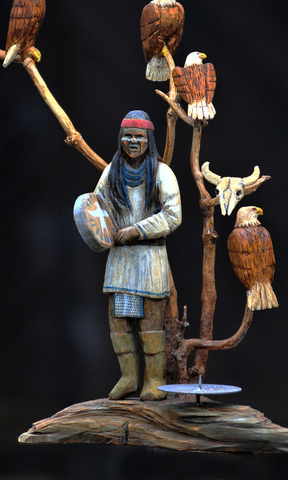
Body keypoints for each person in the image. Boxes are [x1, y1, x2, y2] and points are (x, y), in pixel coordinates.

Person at [94, 110, 181, 400]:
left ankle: (154, 380)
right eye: (128, 136)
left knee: (150, 323)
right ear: (121, 138)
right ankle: (129, 377)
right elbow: (97, 207)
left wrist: (137, 230)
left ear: (149, 140)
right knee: (119, 322)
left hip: (149, 259)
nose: (133, 141)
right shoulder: (111, 172)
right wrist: (100, 229)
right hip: (120, 260)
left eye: (139, 136)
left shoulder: (162, 173)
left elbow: (173, 215)